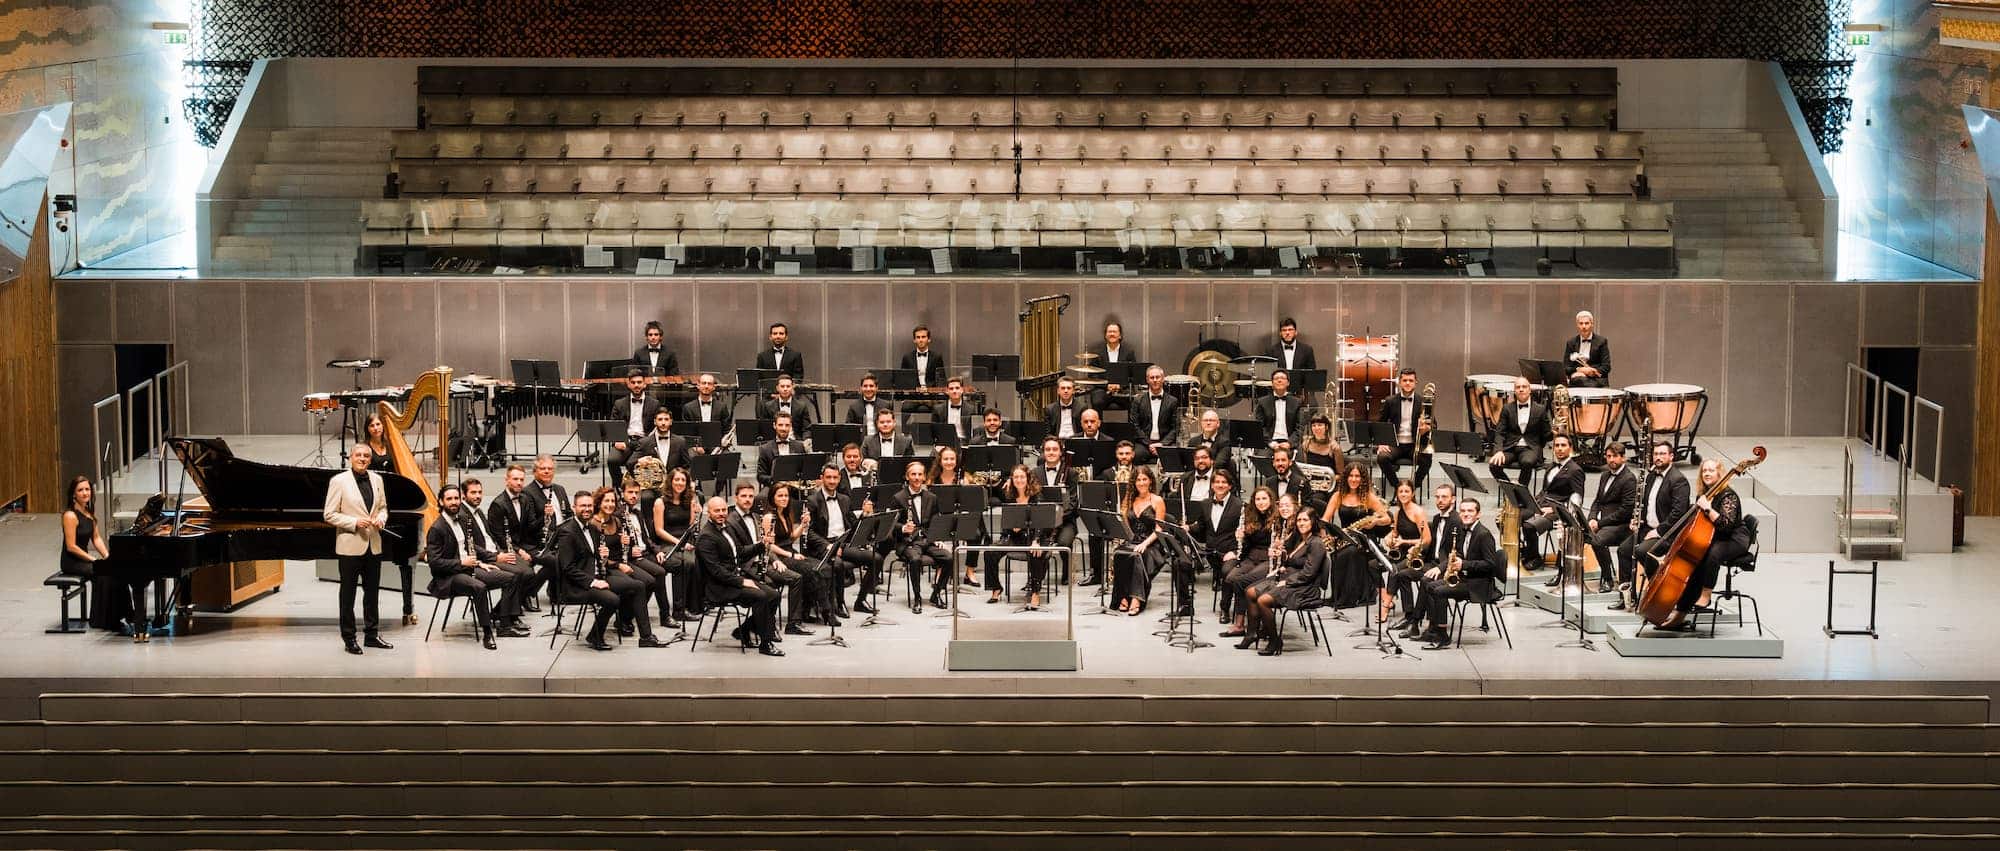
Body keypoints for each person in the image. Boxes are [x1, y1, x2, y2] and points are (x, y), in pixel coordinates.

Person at [1657, 459, 1752, 630]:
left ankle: (1706, 593)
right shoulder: (1705, 495)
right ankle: (1679, 615)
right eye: (1704, 471)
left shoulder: (1728, 496)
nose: (1707, 473)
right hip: (1716, 536)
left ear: (1719, 473)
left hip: (1734, 539)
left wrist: (1708, 508)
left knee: (1712, 553)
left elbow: (1726, 526)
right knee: (1696, 563)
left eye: (1711, 470)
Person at [424, 484, 515, 650]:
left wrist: (480, 563)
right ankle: (487, 633)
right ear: (441, 502)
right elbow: (435, 563)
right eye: (449, 499)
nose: (454, 502)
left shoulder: (462, 520)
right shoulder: (437, 528)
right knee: (479, 587)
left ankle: (504, 625)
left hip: (469, 569)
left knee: (509, 578)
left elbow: (466, 548)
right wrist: (461, 563)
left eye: (456, 498)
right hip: (448, 577)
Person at [323, 444, 393, 655]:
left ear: (370, 459)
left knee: (372, 594)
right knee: (348, 595)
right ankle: (349, 638)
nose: (362, 458)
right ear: (351, 457)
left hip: (373, 545)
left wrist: (381, 518)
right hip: (350, 546)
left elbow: (383, 508)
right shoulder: (338, 481)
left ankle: (372, 635)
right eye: (358, 455)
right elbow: (329, 514)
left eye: (366, 456)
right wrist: (354, 522)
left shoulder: (377, 479)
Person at [61, 476, 150, 642]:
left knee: (116, 570)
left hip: (84, 559)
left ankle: (125, 615)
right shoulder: (70, 515)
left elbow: (96, 538)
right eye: (80, 490)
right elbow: (71, 546)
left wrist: (108, 557)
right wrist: (93, 560)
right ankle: (107, 620)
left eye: (87, 489)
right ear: (73, 494)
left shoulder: (88, 512)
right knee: (106, 573)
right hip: (72, 562)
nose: (85, 493)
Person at [1406, 498, 1502, 648]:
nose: (1466, 514)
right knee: (1428, 584)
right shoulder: (1464, 530)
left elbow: (1490, 565)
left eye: (1470, 511)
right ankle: (1432, 629)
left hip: (1478, 585)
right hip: (1466, 579)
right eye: (1463, 511)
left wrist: (1464, 564)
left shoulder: (1483, 534)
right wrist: (1454, 561)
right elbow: (1462, 554)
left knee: (1439, 591)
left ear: (1478, 514)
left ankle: (1442, 635)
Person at [694, 496, 783, 656]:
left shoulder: (726, 527)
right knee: (760, 596)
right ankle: (766, 643)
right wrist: (742, 581)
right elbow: (716, 571)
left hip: (732, 580)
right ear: (709, 513)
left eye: (723, 510)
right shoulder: (706, 537)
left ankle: (744, 630)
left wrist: (762, 545)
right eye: (717, 511)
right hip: (718, 587)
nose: (721, 513)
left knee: (773, 595)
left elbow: (739, 552)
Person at [1240, 509, 1330, 656]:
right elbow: (1292, 560)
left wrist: (1287, 581)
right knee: (1250, 592)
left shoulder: (1316, 543)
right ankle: (1251, 634)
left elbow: (1309, 573)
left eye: (1305, 520)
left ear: (1313, 522)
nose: (1301, 523)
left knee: (1263, 601)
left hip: (1305, 587)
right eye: (1299, 520)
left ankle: (1274, 641)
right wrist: (1282, 565)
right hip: (1290, 578)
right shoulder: (1299, 539)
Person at [1616, 440, 1690, 611]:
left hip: (1668, 533)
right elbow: (1645, 504)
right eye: (1656, 454)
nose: (1658, 457)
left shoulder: (1679, 480)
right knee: (1623, 550)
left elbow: (1678, 513)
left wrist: (1658, 531)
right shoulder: (1650, 476)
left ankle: (1658, 593)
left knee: (1643, 552)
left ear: (1671, 456)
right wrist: (1637, 520)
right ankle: (1627, 597)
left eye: (1662, 454)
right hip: (1647, 529)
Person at [458, 478, 533, 634]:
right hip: (485, 559)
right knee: (517, 574)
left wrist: (500, 551)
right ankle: (507, 619)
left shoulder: (478, 511)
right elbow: (469, 545)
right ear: (463, 494)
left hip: (495, 552)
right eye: (473, 493)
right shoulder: (461, 515)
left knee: (528, 571)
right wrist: (495, 557)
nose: (477, 496)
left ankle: (503, 612)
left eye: (479, 492)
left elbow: (490, 537)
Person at [806, 463, 877, 616]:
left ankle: (861, 600)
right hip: (823, 546)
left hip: (842, 544)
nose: (832, 481)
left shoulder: (845, 499)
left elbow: (853, 526)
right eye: (828, 477)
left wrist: (864, 515)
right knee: (837, 564)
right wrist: (828, 546)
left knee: (875, 558)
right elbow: (809, 532)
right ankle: (840, 603)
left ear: (839, 479)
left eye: (835, 477)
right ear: (822, 478)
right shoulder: (812, 500)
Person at [766, 482, 836, 632]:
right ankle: (826, 610)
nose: (784, 498)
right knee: (813, 570)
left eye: (786, 496)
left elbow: (791, 537)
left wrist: (803, 525)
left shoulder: (785, 514)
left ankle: (807, 609)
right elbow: (768, 545)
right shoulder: (769, 517)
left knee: (824, 566)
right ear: (772, 498)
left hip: (791, 552)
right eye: (780, 496)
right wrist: (791, 554)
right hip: (779, 557)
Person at [1320, 464, 1390, 613]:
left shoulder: (1369, 497)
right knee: (1339, 553)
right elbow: (1325, 520)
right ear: (1346, 477)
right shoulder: (1338, 495)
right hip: (1344, 537)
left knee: (1351, 552)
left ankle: (1352, 596)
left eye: (1357, 476)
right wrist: (1325, 538)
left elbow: (1387, 519)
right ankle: (1340, 596)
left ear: (1363, 479)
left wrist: (1375, 522)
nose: (1354, 479)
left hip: (1364, 538)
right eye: (1351, 476)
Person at [1390, 483, 1458, 632]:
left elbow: (1458, 552)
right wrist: (1416, 551)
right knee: (1402, 575)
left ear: (1453, 499)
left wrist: (1439, 568)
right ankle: (1409, 616)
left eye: (1444, 497)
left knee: (1426, 580)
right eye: (1437, 497)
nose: (1440, 500)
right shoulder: (1437, 518)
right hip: (1432, 562)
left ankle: (1416, 622)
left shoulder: (1457, 521)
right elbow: (1431, 543)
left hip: (1447, 567)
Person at [1218, 487, 1278, 637]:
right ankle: (1252, 620)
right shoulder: (1250, 516)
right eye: (1257, 499)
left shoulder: (1277, 518)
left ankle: (1240, 624)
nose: (1261, 502)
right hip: (1251, 557)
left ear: (1271, 500)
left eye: (1264, 498)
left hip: (1268, 559)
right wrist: (1241, 537)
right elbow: (1248, 545)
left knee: (1242, 582)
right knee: (1231, 578)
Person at [1525, 434, 1586, 581]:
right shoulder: (1551, 466)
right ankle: (1527, 551)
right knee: (1517, 516)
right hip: (1541, 506)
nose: (1559, 449)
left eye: (1563, 445)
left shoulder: (1576, 470)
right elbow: (1545, 491)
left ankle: (1534, 558)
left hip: (1559, 511)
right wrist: (1533, 504)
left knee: (1528, 526)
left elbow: (1577, 498)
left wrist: (1554, 509)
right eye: (1557, 445)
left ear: (1570, 448)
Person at [986, 466, 1049, 607]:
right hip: (1015, 537)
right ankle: (996, 588)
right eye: (1016, 477)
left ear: (1028, 478)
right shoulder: (1009, 496)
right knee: (990, 552)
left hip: (1035, 536)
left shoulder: (1037, 495)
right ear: (1012, 479)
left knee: (1035, 552)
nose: (1019, 480)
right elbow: (1008, 521)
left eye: (1022, 477)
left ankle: (1035, 592)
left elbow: (1041, 522)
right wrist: (1012, 527)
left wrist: (1036, 540)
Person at [892, 462, 951, 612]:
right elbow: (891, 524)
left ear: (924, 477)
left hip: (927, 539)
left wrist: (938, 538)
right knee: (915, 559)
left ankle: (936, 593)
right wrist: (903, 528)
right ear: (907, 477)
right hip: (908, 542)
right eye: (913, 474)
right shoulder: (898, 498)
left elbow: (936, 521)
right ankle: (917, 597)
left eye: (920, 474)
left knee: (949, 558)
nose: (917, 477)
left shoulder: (932, 497)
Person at [1111, 466, 1167, 616]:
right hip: (1133, 540)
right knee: (1119, 553)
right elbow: (1126, 527)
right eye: (1138, 480)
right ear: (1134, 483)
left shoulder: (1157, 500)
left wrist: (1144, 543)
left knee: (1138, 556)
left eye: (1144, 479)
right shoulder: (1129, 499)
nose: (1141, 483)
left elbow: (1159, 529)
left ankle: (1136, 599)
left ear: (1150, 481)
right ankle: (1123, 596)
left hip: (1152, 543)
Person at [649, 466, 701, 622]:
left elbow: (690, 526)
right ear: (670, 481)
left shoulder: (689, 500)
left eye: (683, 480)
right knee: (683, 563)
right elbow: (659, 530)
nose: (680, 483)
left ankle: (694, 605)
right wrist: (679, 543)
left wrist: (696, 512)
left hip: (684, 541)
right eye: (676, 479)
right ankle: (679, 610)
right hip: (666, 543)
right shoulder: (660, 502)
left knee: (697, 561)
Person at [1585, 442, 1638, 594]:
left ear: (1623, 458)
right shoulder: (1604, 475)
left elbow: (1625, 511)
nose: (1611, 460)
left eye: (1615, 456)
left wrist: (1599, 523)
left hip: (1621, 525)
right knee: (1578, 532)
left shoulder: (1629, 479)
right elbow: (1597, 501)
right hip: (1604, 524)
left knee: (1597, 540)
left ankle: (1607, 577)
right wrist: (1592, 518)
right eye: (1608, 456)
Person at [1377, 480, 1432, 623]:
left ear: (1412, 493)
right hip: (1401, 552)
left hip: (1416, 554)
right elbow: (1395, 532)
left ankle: (1386, 607)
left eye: (1406, 491)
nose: (1403, 494)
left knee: (1395, 571)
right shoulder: (1398, 512)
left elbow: (1426, 539)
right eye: (1400, 491)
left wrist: (1404, 542)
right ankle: (1387, 598)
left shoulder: (1418, 512)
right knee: (1372, 564)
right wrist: (1389, 537)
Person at [522, 454, 572, 606]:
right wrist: (545, 517)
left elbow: (568, 514)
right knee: (558, 560)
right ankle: (528, 591)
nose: (546, 471)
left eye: (550, 468)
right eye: (542, 468)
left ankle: (559, 591)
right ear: (534, 471)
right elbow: (529, 527)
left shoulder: (560, 489)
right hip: (537, 542)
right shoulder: (527, 493)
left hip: (562, 538)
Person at [1375, 368, 1432, 493]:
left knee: (1427, 459)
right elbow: (1380, 423)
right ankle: (1398, 488)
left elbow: (1433, 424)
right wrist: (1381, 443)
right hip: (1395, 444)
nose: (1407, 383)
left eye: (1410, 380)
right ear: (1399, 382)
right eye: (1405, 380)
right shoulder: (1390, 401)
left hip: (1414, 444)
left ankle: (1412, 489)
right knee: (1382, 458)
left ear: (1416, 382)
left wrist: (1426, 428)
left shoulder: (1423, 401)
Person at [1486, 375, 1551, 485]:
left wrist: (1555, 433)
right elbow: (1500, 432)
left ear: (1529, 390)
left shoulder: (1540, 409)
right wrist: (1498, 451)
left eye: (1524, 387)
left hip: (1530, 448)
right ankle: (1510, 489)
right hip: (1510, 447)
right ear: (1514, 391)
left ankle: (1521, 490)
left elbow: (1546, 435)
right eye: (1518, 387)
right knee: (1494, 464)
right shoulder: (1507, 408)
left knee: (1527, 462)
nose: (1521, 389)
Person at [607, 368, 661, 489]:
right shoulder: (619, 403)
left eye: (639, 382)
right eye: (633, 382)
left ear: (644, 384)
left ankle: (644, 488)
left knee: (633, 462)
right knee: (612, 460)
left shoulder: (654, 404)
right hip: (625, 441)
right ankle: (620, 488)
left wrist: (648, 442)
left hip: (644, 442)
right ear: (629, 384)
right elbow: (613, 425)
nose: (636, 385)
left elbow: (657, 427)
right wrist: (616, 440)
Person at [1190, 468, 1241, 592]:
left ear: (1230, 486)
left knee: (1227, 572)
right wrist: (1188, 527)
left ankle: (1225, 601)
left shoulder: (1239, 505)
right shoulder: (1205, 504)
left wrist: (1235, 552)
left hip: (1229, 552)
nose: (1220, 485)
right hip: (1211, 552)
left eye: (1224, 482)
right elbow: (1201, 526)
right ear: (1212, 485)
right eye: (1217, 482)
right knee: (1182, 563)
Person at [1129, 365, 1179, 460]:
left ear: (1163, 379)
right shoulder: (1138, 400)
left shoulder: (1173, 401)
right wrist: (1149, 444)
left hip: (1165, 442)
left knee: (1174, 457)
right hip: (1144, 443)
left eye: (1157, 377)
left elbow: (1176, 427)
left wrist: (1162, 444)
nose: (1155, 380)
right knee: (1136, 456)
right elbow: (1134, 425)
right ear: (1147, 380)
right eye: (1152, 378)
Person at [631, 409, 695, 479]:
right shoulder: (644, 442)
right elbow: (630, 463)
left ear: (671, 422)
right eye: (660, 419)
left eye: (666, 419)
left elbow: (687, 466)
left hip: (674, 483)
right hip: (653, 483)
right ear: (655, 422)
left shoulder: (680, 442)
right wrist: (639, 461)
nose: (663, 423)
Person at [1085, 320, 1137, 405]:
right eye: (1109, 332)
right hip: (1102, 389)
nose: (1112, 334)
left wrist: (1120, 385)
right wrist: (1107, 385)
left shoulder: (1129, 352)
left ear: (1120, 335)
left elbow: (1132, 373)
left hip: (1123, 388)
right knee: (1097, 401)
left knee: (1133, 401)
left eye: (1114, 332)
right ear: (1105, 335)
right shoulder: (1097, 353)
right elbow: (1092, 374)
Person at [755, 413, 810, 488]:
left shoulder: (799, 446)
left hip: (795, 489)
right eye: (780, 425)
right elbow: (760, 476)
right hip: (773, 488)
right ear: (774, 425)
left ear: (790, 426)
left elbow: (804, 471)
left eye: (787, 425)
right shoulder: (765, 449)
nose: (784, 428)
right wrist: (776, 481)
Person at [1254, 369, 1304, 447]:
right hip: (1268, 443)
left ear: (1288, 383)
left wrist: (1289, 443)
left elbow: (1300, 427)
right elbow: (1259, 427)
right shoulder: (1262, 402)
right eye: (1276, 378)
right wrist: (1270, 443)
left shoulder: (1297, 402)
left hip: (1290, 443)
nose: (1279, 380)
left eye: (1282, 378)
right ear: (1272, 383)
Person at [1563, 310, 1611, 388]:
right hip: (1577, 381)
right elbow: (1566, 368)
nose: (1584, 326)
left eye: (1587, 323)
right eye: (1581, 323)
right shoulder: (1571, 343)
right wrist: (1579, 370)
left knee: (1581, 380)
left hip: (1597, 381)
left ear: (1592, 324)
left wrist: (1589, 372)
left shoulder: (1601, 341)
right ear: (1577, 325)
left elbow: (1606, 367)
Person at [931, 377, 980, 442]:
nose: (954, 391)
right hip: (945, 442)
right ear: (947, 391)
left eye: (957, 388)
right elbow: (934, 431)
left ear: (962, 390)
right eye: (951, 389)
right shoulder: (938, 409)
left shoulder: (971, 409)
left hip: (964, 442)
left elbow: (975, 431)